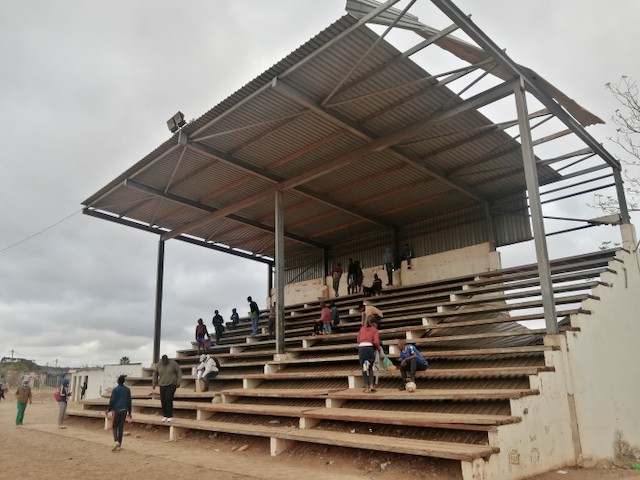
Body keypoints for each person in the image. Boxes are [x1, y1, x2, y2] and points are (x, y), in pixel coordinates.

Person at [152, 354, 182, 422]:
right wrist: (154, 383)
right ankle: (165, 415)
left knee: (168, 399)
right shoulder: (159, 365)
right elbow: (155, 374)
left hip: (172, 384)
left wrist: (178, 382)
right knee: (163, 400)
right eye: (163, 361)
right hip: (162, 384)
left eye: (165, 361)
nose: (164, 362)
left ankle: (170, 416)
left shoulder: (173, 363)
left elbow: (179, 372)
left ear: (167, 360)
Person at [106, 374, 132, 452]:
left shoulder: (115, 390)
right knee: (120, 427)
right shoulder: (127, 390)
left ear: (118, 381)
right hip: (124, 410)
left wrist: (109, 409)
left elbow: (112, 401)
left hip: (117, 410)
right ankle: (119, 445)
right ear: (124, 381)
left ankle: (116, 441)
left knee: (114, 426)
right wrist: (129, 412)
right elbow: (129, 401)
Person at [356, 316, 380, 393]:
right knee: (370, 367)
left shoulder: (362, 328)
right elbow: (376, 342)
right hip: (369, 348)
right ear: (375, 323)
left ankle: (366, 387)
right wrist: (378, 348)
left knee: (364, 368)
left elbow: (358, 340)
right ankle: (372, 386)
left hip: (361, 348)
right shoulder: (374, 330)